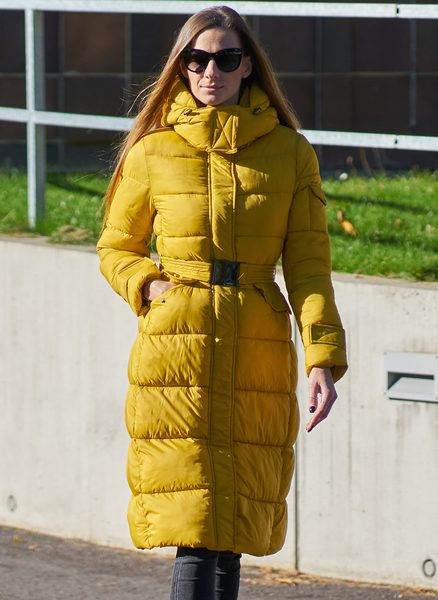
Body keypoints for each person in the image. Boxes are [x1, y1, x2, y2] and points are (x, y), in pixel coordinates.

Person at [97, 5, 347, 599]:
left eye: (226, 58)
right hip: (176, 350)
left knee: (233, 522)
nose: (212, 70)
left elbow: (310, 266)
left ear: (247, 68)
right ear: (181, 67)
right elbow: (115, 247)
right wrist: (152, 287)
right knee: (196, 525)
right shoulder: (153, 152)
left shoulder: (290, 153)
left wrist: (322, 360)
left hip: (256, 344)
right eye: (198, 58)